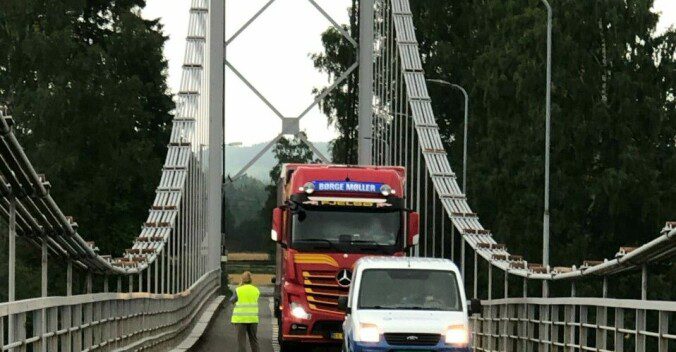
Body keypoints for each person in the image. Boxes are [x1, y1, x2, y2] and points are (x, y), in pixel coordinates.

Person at [230, 271, 260, 352]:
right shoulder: (256, 290)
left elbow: (232, 300)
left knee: (241, 342)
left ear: (242, 279)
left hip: (240, 319)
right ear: (251, 280)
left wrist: (240, 286)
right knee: (254, 340)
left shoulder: (238, 290)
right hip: (253, 319)